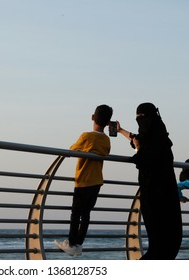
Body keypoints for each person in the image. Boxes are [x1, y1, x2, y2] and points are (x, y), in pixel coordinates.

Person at [117, 102, 182, 259]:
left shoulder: (152, 143)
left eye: (141, 118)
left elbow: (141, 159)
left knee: (158, 244)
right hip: (168, 196)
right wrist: (120, 131)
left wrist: (138, 148)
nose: (139, 121)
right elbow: (136, 139)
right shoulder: (161, 138)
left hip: (154, 197)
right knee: (169, 242)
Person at [55, 104, 113, 256]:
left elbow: (73, 149)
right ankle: (79, 244)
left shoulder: (86, 136)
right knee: (86, 214)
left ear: (93, 117)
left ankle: (71, 243)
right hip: (97, 181)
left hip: (83, 180)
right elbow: (106, 152)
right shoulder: (106, 140)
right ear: (108, 123)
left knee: (75, 214)